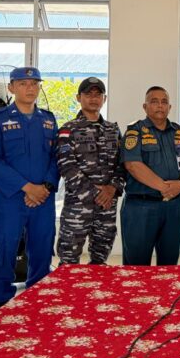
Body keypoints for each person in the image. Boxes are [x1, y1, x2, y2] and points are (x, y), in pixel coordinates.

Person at [0, 67, 59, 310]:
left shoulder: (48, 119)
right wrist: (27, 188)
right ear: (11, 87)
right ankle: (0, 301)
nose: (30, 88)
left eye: (34, 83)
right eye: (23, 83)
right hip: (11, 198)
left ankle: (37, 298)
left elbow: (56, 157)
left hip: (43, 198)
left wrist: (45, 187)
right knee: (4, 249)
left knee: (42, 249)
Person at [121, 86, 180, 265]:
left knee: (169, 264)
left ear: (170, 107)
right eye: (154, 101)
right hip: (141, 206)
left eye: (164, 102)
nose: (160, 105)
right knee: (136, 266)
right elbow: (132, 165)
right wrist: (166, 188)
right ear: (145, 107)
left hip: (174, 206)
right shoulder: (135, 131)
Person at [56, 77, 125, 264]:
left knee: (100, 261)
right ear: (78, 98)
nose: (93, 98)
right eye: (88, 94)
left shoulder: (113, 130)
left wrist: (112, 188)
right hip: (78, 206)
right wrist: (96, 194)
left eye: (98, 94)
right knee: (68, 261)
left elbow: (122, 165)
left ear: (105, 98)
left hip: (107, 206)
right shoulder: (68, 130)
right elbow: (67, 167)